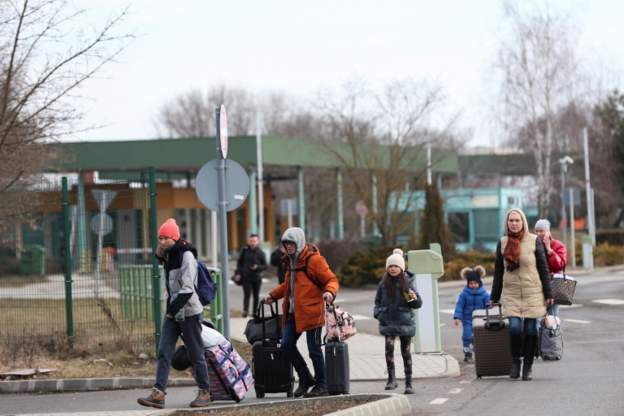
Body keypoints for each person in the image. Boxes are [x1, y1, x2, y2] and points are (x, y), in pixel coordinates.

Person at [137, 218, 211, 409]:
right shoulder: (169, 256)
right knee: (163, 351)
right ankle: (158, 393)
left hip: (189, 311)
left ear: (174, 238)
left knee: (195, 353)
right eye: (159, 238)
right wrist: (160, 251)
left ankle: (205, 392)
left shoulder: (186, 256)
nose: (161, 242)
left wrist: (171, 310)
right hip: (174, 311)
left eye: (165, 238)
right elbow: (170, 281)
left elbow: (187, 289)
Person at [265, 227, 339, 398]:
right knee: (286, 344)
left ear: (298, 242)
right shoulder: (290, 261)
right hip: (293, 313)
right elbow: (288, 286)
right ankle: (305, 378)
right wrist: (273, 295)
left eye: (290, 243)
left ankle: (322, 385)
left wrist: (329, 292)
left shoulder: (314, 261)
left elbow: (331, 280)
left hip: (312, 312)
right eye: (285, 244)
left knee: (314, 350)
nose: (287, 247)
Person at [490, 209, 553, 381]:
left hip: (533, 291)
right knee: (516, 328)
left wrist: (548, 293)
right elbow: (498, 272)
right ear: (507, 223)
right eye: (511, 220)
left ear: (523, 222)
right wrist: (493, 297)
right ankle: (516, 361)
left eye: (517, 220)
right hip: (511, 293)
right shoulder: (502, 243)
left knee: (531, 330)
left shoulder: (534, 241)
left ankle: (528, 365)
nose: (514, 223)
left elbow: (543, 268)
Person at [373, 249, 422, 395]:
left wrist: (414, 298)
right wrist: (379, 313)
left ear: (401, 268)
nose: (393, 268)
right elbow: (377, 302)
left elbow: (417, 304)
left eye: (396, 266)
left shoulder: (407, 283)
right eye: (390, 266)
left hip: (404, 322)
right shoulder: (383, 284)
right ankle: (391, 379)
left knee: (405, 352)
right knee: (389, 350)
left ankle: (408, 383)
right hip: (388, 322)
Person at [453, 266, 490, 362]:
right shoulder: (464, 294)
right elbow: (460, 306)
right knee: (466, 336)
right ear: (468, 284)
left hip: (481, 319)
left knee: (479, 336)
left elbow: (489, 306)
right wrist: (457, 317)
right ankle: (467, 353)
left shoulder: (484, 294)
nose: (473, 285)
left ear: (479, 283)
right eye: (471, 283)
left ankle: (480, 352)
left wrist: (490, 309)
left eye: (475, 283)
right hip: (468, 320)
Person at [534, 218, 567, 317]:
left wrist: (549, 250)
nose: (538, 233)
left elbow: (560, 265)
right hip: (537, 286)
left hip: (553, 286)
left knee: (552, 317)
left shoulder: (558, 245)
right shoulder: (533, 245)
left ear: (548, 231)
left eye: (541, 231)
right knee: (538, 318)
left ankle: (552, 332)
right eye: (536, 231)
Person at [236, 234, 267, 317]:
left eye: (254, 241)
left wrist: (257, 267)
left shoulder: (261, 253)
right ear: (248, 242)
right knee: (247, 295)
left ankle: (255, 312)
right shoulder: (245, 251)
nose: (252, 243)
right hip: (246, 277)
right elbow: (239, 263)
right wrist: (238, 273)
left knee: (256, 296)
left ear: (258, 242)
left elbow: (265, 266)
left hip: (257, 277)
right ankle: (245, 311)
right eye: (251, 241)